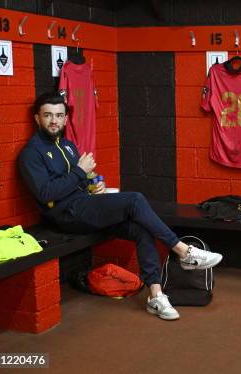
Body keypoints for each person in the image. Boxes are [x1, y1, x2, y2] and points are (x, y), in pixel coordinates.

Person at [18, 92, 223, 321]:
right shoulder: (30, 154)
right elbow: (45, 193)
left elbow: (80, 180)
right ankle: (184, 251)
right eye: (48, 115)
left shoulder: (67, 146)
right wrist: (79, 172)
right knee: (134, 199)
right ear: (37, 119)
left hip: (85, 206)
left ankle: (156, 295)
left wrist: (93, 184)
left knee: (141, 227)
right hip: (66, 216)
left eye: (59, 115)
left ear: (66, 119)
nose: (54, 121)